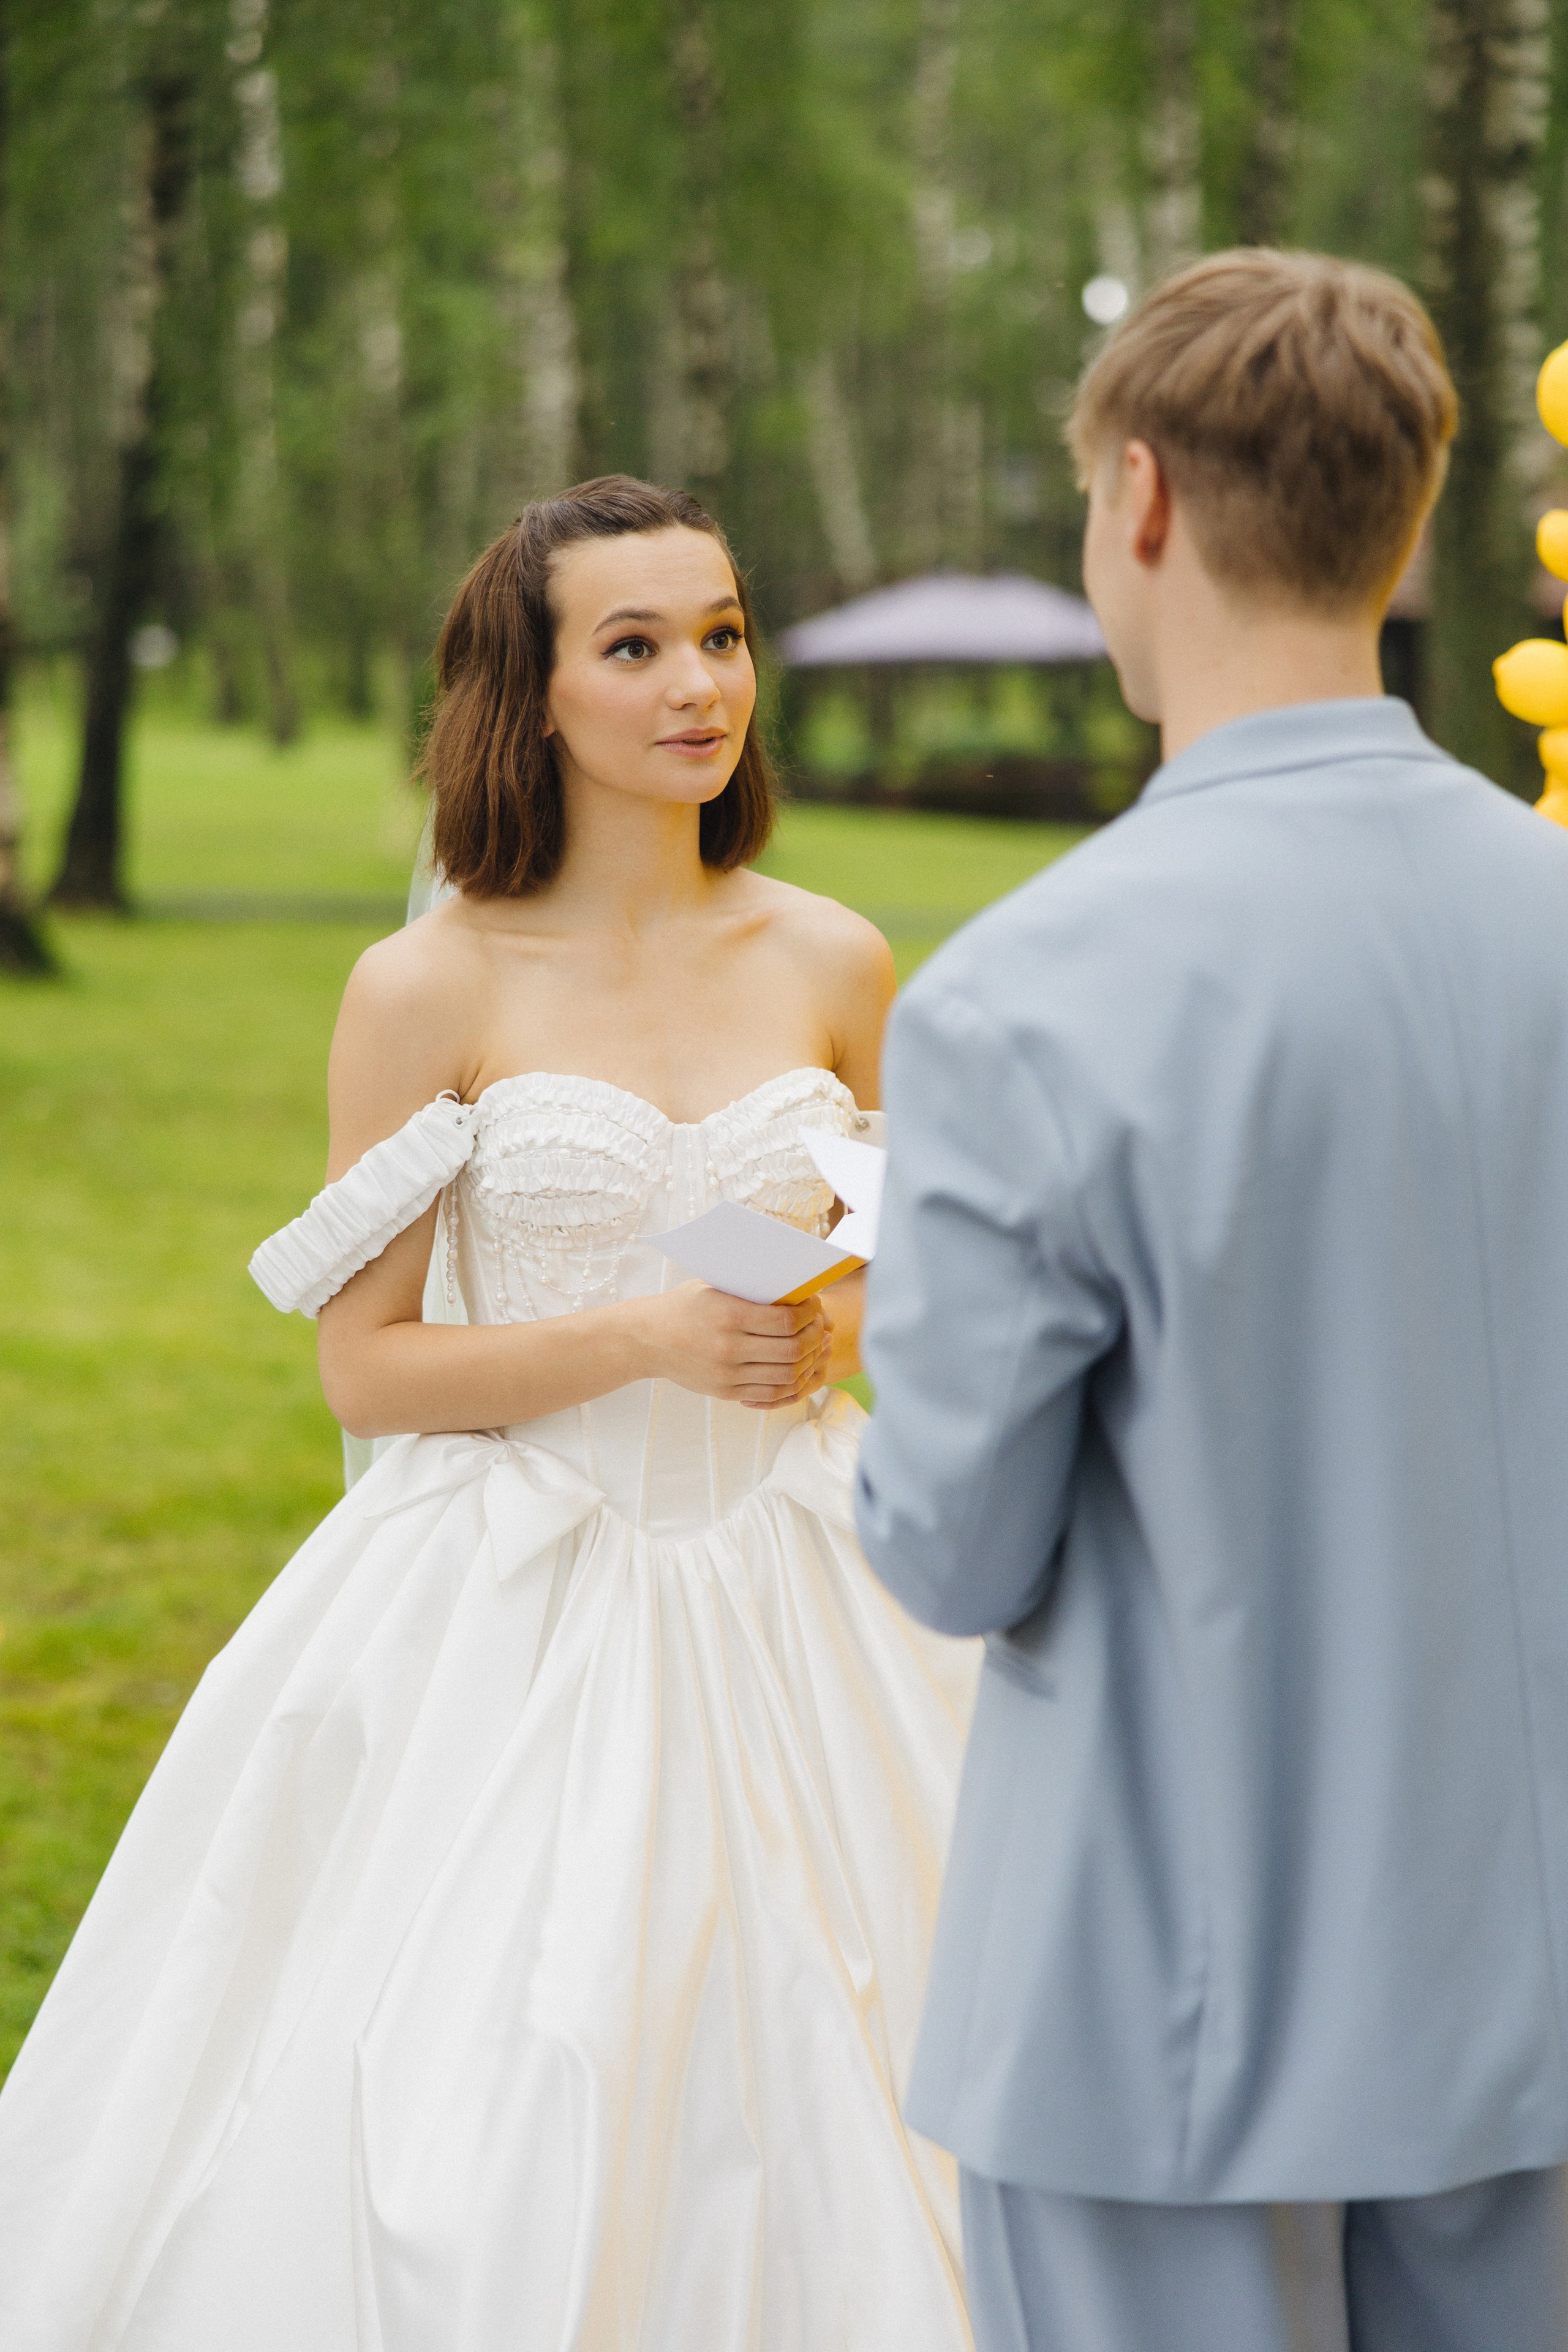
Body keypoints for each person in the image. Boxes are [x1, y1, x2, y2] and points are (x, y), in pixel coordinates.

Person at [0, 476, 979, 2351]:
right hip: (517, 1591)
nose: (699, 684)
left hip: (801, 1568)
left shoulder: (833, 958)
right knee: (509, 2067)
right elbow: (367, 1368)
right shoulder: (425, 986)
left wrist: (829, 1323)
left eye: (721, 632)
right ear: (531, 697)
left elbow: (864, 1223)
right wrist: (648, 1338)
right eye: (635, 647)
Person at [854, 249, 1568, 2351]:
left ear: (1140, 499)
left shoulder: (1020, 999)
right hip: (1526, 1987)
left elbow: (956, 1546)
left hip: (1167, 1999)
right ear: (1414, 518)